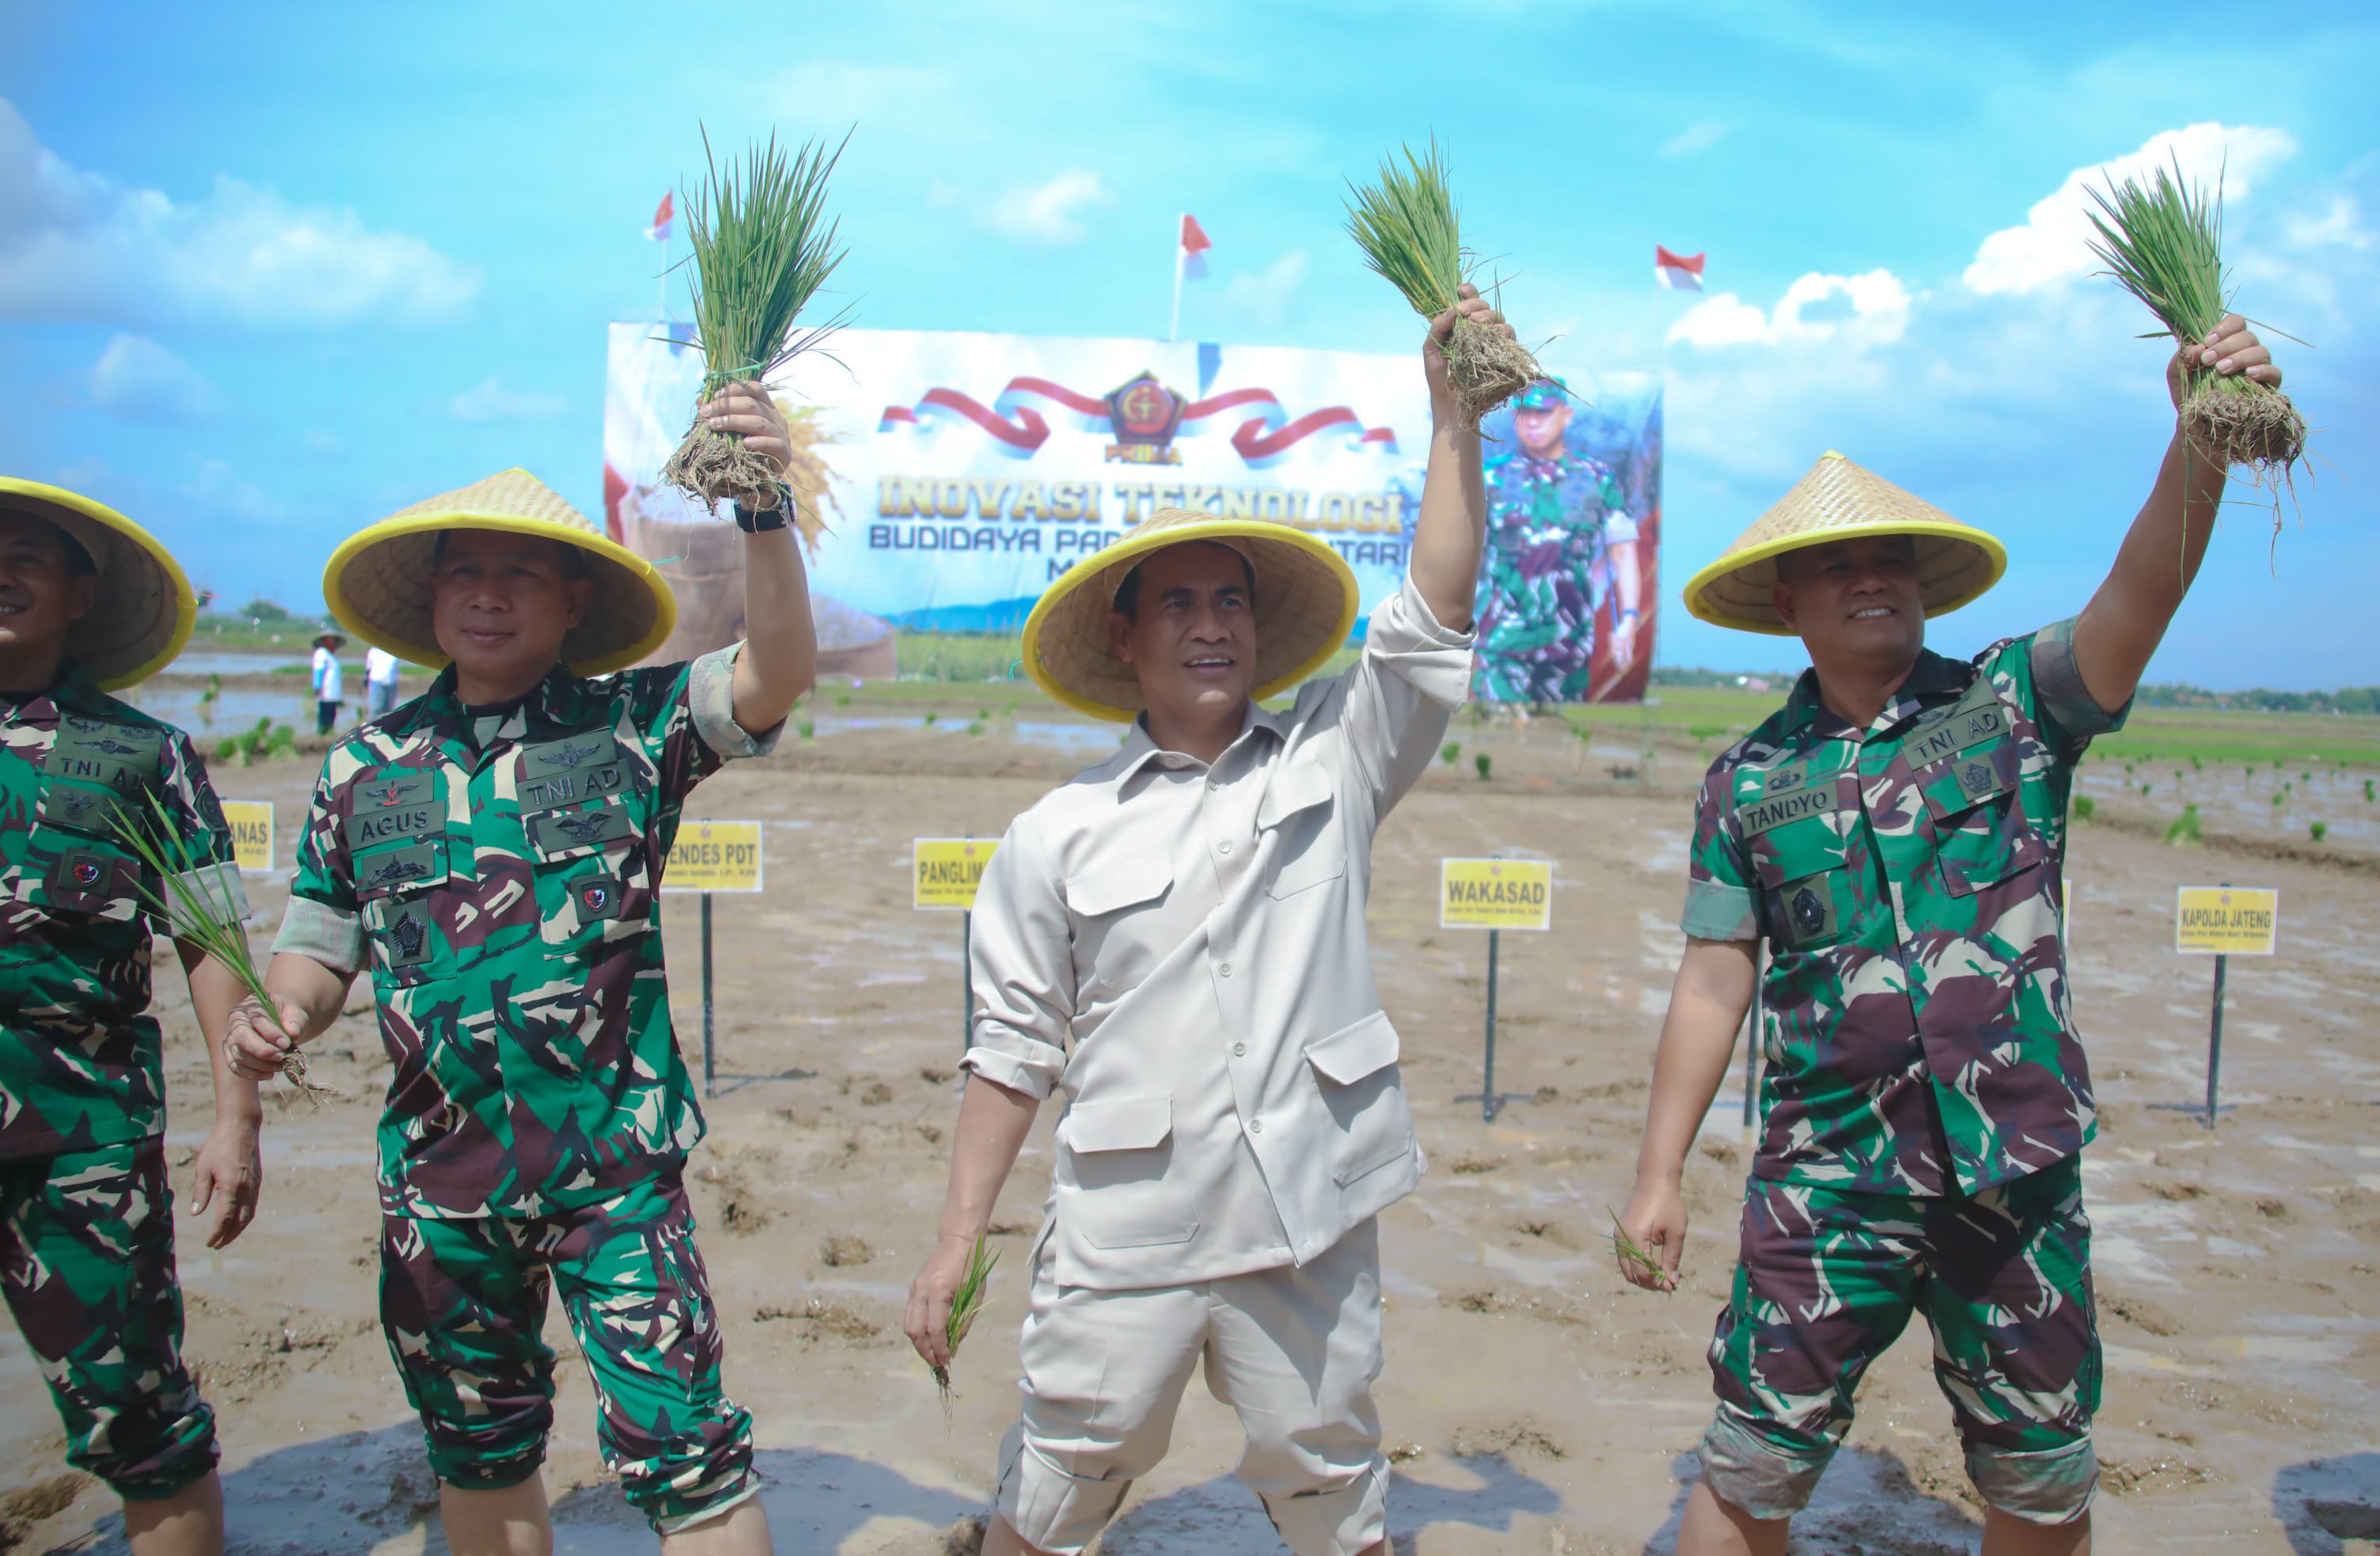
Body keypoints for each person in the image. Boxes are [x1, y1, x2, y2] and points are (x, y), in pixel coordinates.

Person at [1615, 317, 2286, 1556]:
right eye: (1837, 563)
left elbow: (2140, 592)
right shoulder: (1746, 780)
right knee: (1747, 1466)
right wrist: (1658, 1175)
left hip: (2014, 1174)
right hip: (1825, 1181)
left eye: (1892, 558)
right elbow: (1714, 978)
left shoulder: (2013, 706)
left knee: (2037, 1480)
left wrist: (2196, 444)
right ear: (1786, 600)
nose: (1871, 576)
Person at [902, 287, 1507, 1556]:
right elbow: (1009, 1052)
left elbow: (1432, 612)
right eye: (1175, 605)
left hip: (1308, 1207)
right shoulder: (1053, 836)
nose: (1208, 625)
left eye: (1227, 602)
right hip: (1134, 1219)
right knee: (1068, 1468)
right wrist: (955, 1243)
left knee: (1332, 1475)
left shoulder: (1338, 761)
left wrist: (1453, 419)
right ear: (1125, 639)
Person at [222, 383, 815, 1556]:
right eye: (462, 573)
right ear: (431, 597)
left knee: (686, 1453)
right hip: (439, 1189)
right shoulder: (364, 768)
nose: (486, 596)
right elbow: (319, 942)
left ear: (573, 601)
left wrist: (766, 515)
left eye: (520, 575)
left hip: (615, 1175)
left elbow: (773, 671)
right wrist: (278, 1015)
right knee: (478, 1453)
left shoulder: (635, 727)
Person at [1, 478, 268, 1556]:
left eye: (27, 551)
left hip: (81, 1151)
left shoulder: (139, 756)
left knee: (144, 1423)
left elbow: (209, 936)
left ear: (79, 591)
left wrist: (234, 1115)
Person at [1471, 377, 1642, 704]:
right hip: (1501, 642)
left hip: (1569, 642)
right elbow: (1467, 558)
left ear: (1566, 415)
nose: (1533, 422)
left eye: (1544, 413)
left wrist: (1630, 617)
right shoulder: (1490, 478)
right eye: (1525, 413)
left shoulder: (1596, 478)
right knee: (1496, 742)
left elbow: (1623, 553)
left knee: (1560, 743)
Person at [310, 631, 345, 735]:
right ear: (324, 640)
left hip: (333, 693)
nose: (332, 641)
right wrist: (317, 686)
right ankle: (322, 734)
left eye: (333, 639)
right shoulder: (321, 653)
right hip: (326, 692)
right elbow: (318, 671)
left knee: (332, 715)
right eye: (330, 639)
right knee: (324, 715)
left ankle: (329, 733)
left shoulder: (332, 655)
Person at [364, 642, 402, 721]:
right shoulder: (373, 651)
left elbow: (396, 669)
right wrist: (365, 681)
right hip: (377, 682)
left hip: (392, 683)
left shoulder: (395, 651)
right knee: (376, 708)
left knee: (389, 709)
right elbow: (368, 669)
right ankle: (372, 728)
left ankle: (386, 730)